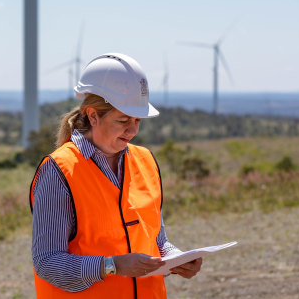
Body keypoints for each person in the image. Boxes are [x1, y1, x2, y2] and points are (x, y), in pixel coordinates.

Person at [29, 53, 202, 298]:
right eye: (123, 120)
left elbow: (156, 240)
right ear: (92, 115)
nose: (132, 130)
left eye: (137, 121)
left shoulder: (146, 161)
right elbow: (47, 261)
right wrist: (112, 266)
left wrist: (175, 258)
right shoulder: (59, 170)